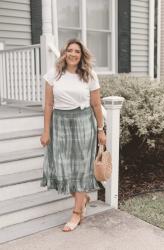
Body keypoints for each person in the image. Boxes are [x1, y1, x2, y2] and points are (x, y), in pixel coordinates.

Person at [40, 38, 106, 232]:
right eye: (70, 50)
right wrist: (45, 131)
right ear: (64, 52)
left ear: (81, 55)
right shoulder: (54, 74)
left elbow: (96, 104)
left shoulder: (89, 75)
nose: (73, 54)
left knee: (81, 169)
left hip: (84, 121)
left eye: (77, 51)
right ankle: (82, 197)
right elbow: (49, 105)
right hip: (59, 123)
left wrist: (101, 130)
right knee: (62, 167)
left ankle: (77, 213)